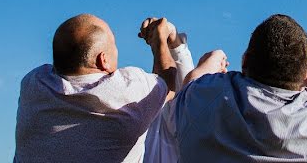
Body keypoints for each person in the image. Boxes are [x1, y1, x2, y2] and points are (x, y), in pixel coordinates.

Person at [153, 13, 307, 162]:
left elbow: (191, 84)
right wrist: (298, 68)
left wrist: (213, 57)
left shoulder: (208, 98)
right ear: (304, 74)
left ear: (245, 60)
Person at [13, 14, 191, 163]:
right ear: (103, 59)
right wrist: (159, 39)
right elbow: (167, 83)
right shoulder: (124, 92)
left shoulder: (32, 84)